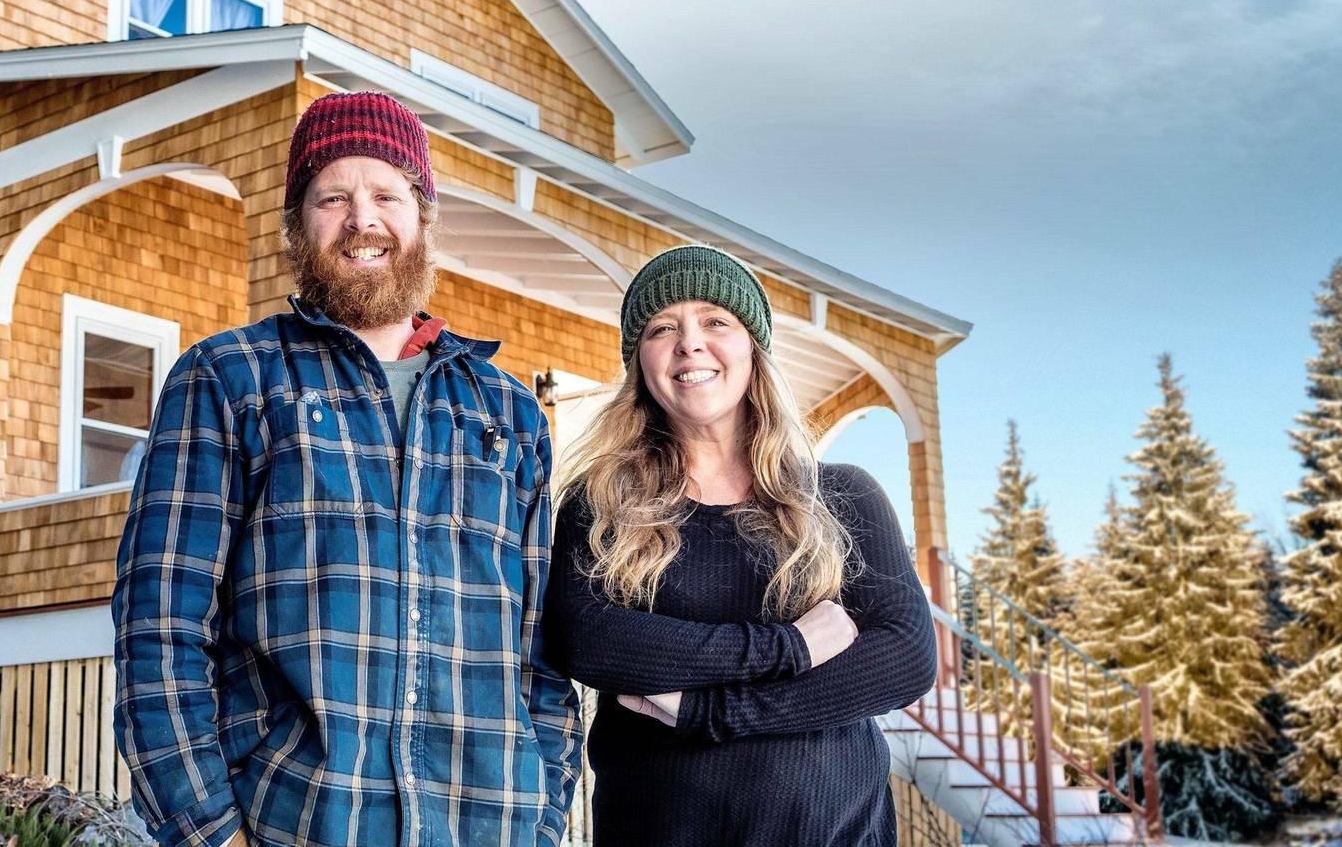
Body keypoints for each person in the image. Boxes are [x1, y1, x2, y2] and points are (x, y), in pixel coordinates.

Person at [113, 92, 580, 847]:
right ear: (299, 223)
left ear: (423, 216)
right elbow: (160, 626)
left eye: (387, 195)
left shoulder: (510, 411)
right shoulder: (231, 377)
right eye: (333, 196)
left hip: (490, 827)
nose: (363, 220)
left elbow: (542, 658)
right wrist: (206, 831)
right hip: (294, 822)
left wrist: (545, 818)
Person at [547, 244, 937, 847]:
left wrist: (714, 713)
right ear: (640, 363)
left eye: (715, 322)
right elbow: (590, 641)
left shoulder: (843, 497)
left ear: (754, 349)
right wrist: (794, 646)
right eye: (662, 328)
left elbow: (904, 657)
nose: (690, 343)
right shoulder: (601, 506)